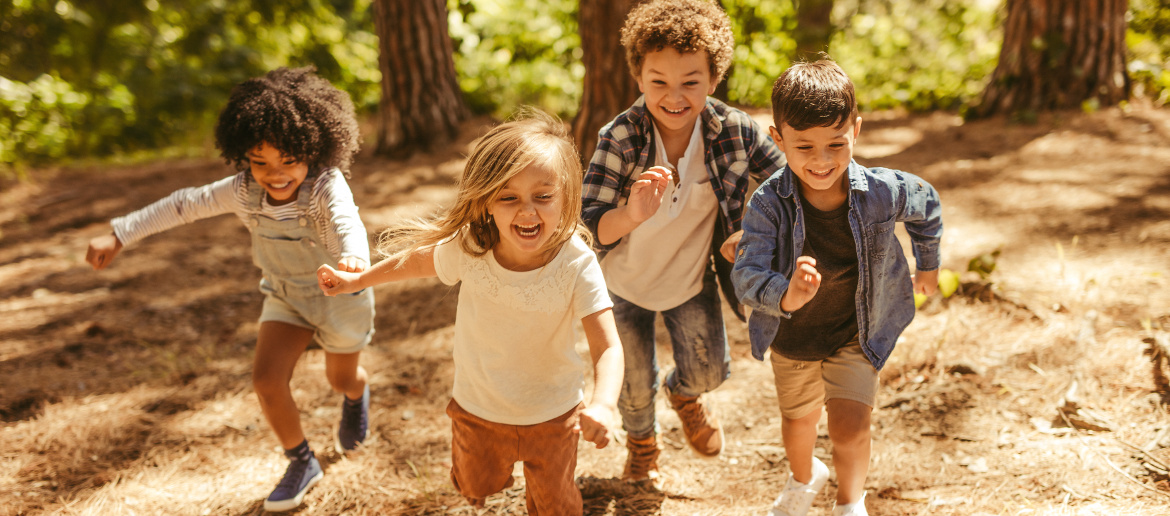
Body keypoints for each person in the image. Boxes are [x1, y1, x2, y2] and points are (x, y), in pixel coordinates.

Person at [84, 67, 374, 512]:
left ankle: (356, 396)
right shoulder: (243, 192)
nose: (274, 175)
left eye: (287, 161)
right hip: (286, 297)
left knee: (341, 377)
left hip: (341, 293)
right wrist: (120, 235)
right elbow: (183, 204)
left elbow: (345, 221)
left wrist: (353, 258)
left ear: (312, 150)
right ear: (244, 155)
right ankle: (301, 460)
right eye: (260, 163)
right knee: (265, 379)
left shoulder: (324, 186)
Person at [317, 110, 623, 515]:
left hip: (554, 413)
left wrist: (603, 403)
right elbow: (416, 262)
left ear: (566, 196)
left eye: (543, 196)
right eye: (508, 197)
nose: (527, 212)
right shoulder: (472, 247)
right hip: (478, 409)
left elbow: (607, 346)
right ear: (485, 204)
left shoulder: (576, 262)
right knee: (476, 483)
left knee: (557, 505)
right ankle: (479, 482)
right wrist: (358, 281)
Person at [580, 0, 786, 486]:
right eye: (659, 83)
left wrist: (753, 231)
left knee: (711, 371)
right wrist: (631, 213)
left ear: (714, 79)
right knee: (631, 387)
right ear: (639, 78)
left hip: (690, 282)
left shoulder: (734, 131)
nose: (674, 96)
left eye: (690, 82)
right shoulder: (621, 137)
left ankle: (685, 394)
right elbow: (589, 227)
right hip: (620, 286)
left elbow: (787, 181)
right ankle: (643, 448)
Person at [732, 58, 943, 516]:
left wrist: (928, 266)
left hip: (855, 331)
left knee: (850, 428)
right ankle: (804, 478)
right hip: (793, 337)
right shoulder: (767, 203)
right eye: (804, 146)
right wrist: (786, 294)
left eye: (836, 144)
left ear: (857, 131)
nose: (822, 160)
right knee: (799, 424)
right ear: (778, 139)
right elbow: (746, 274)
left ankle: (850, 504)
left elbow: (927, 203)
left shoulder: (882, 190)